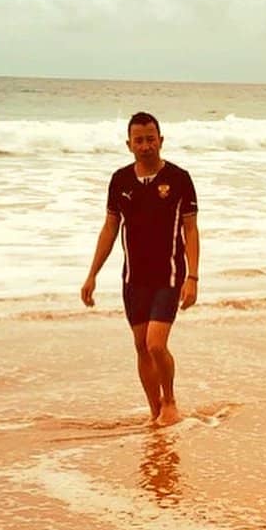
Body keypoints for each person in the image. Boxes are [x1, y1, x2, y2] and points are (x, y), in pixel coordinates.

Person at [81, 111, 199, 426]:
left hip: (169, 274)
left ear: (161, 140)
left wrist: (193, 277)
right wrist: (92, 274)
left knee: (155, 344)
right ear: (129, 144)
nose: (145, 145)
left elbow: (190, 229)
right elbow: (109, 229)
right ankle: (154, 410)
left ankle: (170, 401)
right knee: (140, 346)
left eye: (150, 139)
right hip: (134, 278)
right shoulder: (120, 180)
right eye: (139, 140)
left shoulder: (179, 179)